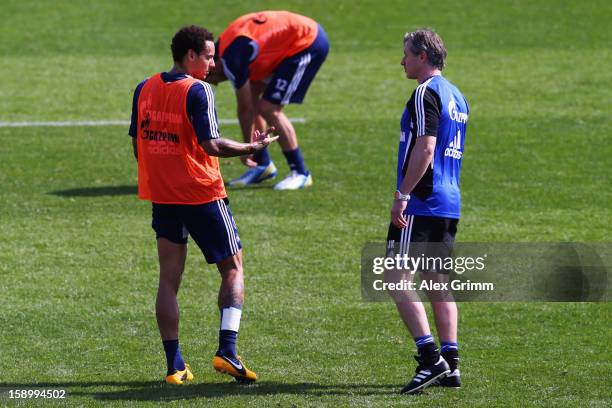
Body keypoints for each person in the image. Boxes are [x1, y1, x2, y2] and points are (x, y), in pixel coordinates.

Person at [128, 25, 278, 385]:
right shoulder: (199, 90)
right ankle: (227, 350)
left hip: (163, 196)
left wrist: (160, 174)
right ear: (190, 55)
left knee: (168, 279)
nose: (213, 64)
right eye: (209, 56)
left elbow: (138, 143)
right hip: (201, 193)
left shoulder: (143, 87)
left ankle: (175, 366)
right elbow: (211, 144)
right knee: (233, 267)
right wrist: (249, 148)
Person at [385, 28, 469, 395]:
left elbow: (426, 147)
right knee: (437, 281)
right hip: (449, 201)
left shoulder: (424, 93)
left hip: (421, 201)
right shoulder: (458, 96)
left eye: (406, 54)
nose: (402, 61)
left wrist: (403, 194)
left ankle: (429, 358)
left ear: (422, 55)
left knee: (394, 278)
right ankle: (450, 364)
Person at [207, 11, 329, 190]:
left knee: (269, 108)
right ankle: (262, 165)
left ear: (214, 67)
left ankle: (300, 172)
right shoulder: (227, 49)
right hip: (287, 42)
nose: (217, 83)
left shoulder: (233, 59)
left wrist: (246, 147)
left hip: (308, 42)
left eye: (213, 81)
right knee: (255, 96)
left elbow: (245, 108)